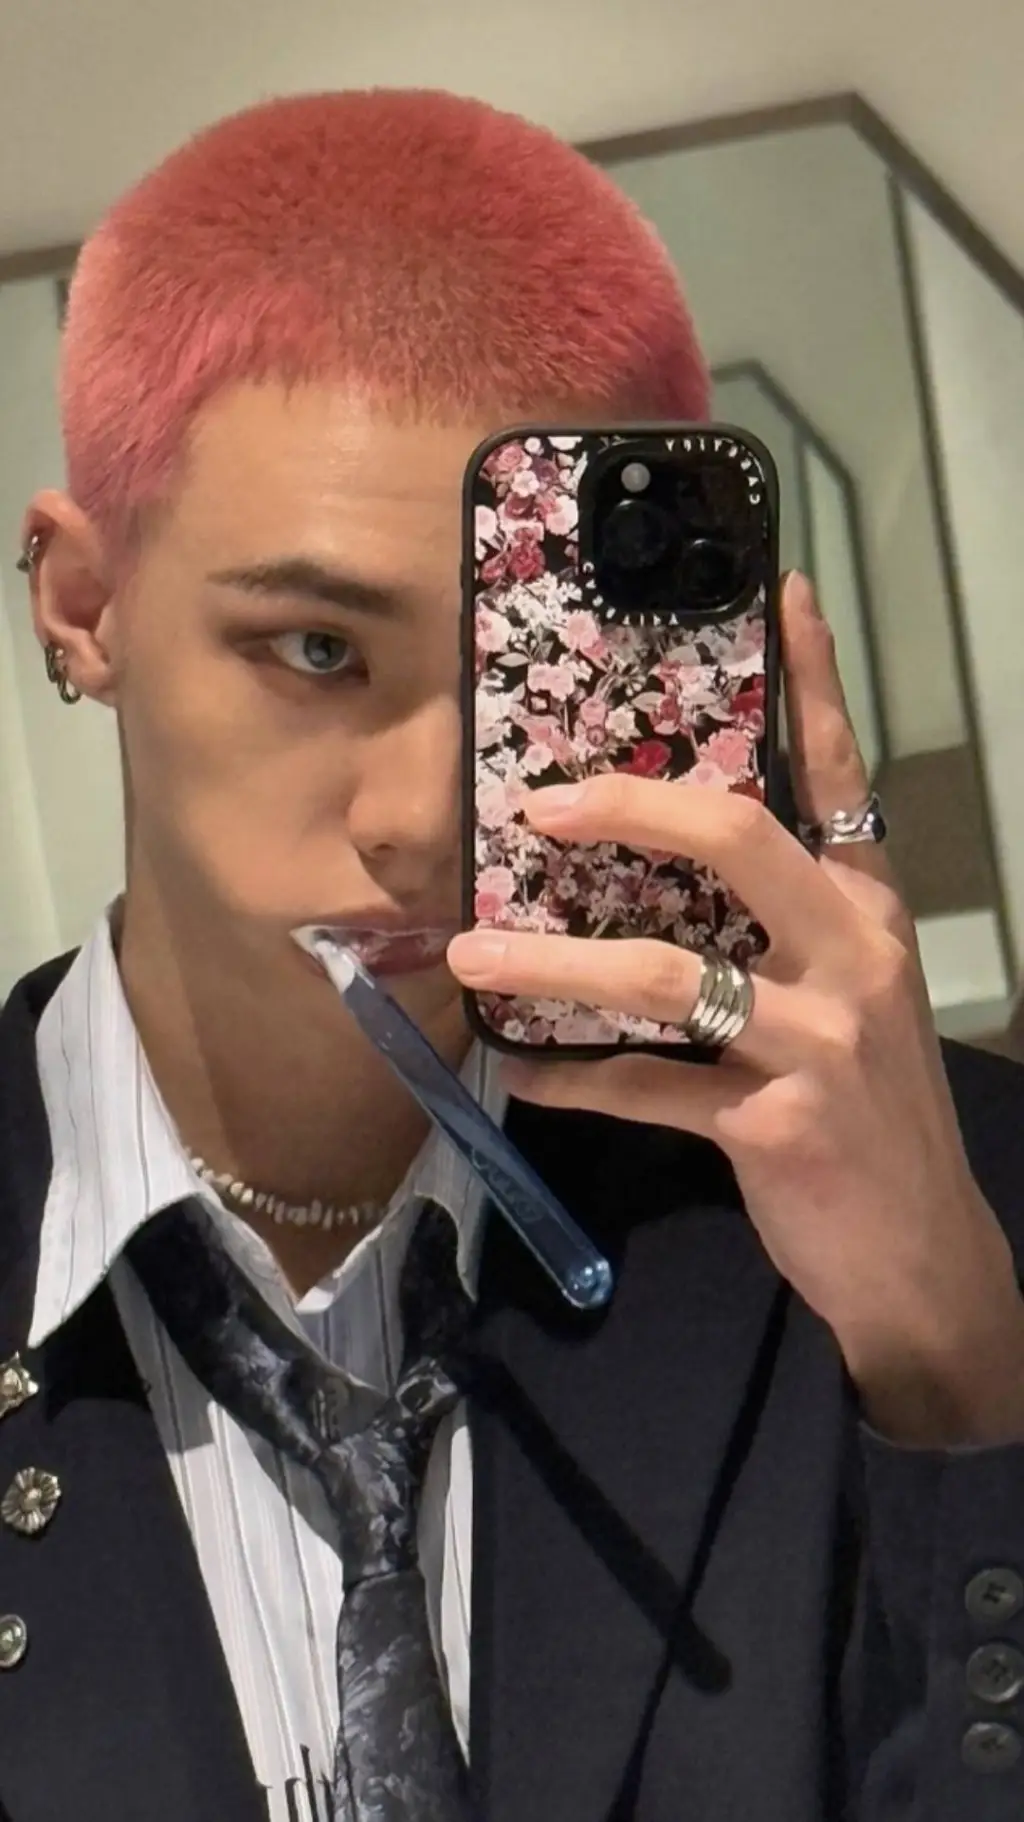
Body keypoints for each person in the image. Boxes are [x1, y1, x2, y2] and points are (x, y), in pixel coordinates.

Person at [1, 87, 1024, 1822]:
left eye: (525, 681)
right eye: (316, 648)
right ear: (84, 605)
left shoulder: (931, 1214)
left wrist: (957, 1370)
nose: (425, 816)